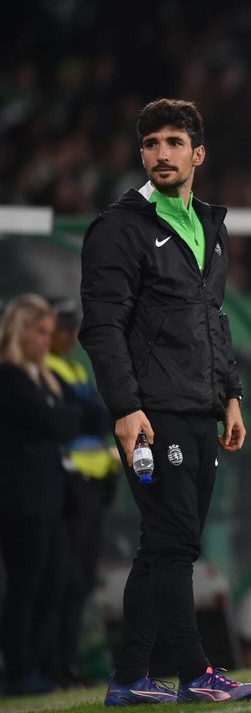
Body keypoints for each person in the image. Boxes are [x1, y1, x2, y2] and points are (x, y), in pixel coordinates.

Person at [79, 99, 251, 704]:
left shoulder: (210, 224)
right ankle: (194, 672)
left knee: (161, 546)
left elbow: (212, 319)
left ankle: (130, 677)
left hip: (199, 406)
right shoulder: (119, 228)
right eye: (152, 142)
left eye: (174, 142)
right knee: (176, 545)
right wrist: (126, 408)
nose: (162, 152)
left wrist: (230, 393)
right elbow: (102, 327)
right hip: (153, 414)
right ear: (141, 154)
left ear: (197, 154)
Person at [0, 294, 102, 696]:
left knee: (59, 580)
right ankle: (21, 671)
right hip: (22, 500)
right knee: (27, 586)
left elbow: (87, 416)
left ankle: (45, 665)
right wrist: (68, 417)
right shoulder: (10, 377)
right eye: (40, 332)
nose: (47, 340)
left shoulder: (41, 376)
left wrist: (66, 417)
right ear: (21, 331)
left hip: (50, 498)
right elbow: (56, 422)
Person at [46, 298, 119, 687]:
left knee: (81, 581)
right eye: (60, 327)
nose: (66, 335)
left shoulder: (72, 369)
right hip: (68, 484)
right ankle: (54, 664)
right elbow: (88, 415)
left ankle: (67, 663)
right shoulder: (48, 370)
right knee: (64, 580)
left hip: (92, 484)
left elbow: (96, 415)